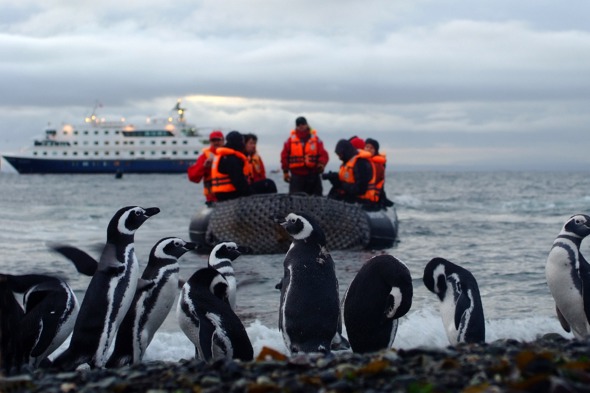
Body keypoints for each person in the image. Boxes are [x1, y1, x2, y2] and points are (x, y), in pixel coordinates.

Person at [324, 139, 380, 208]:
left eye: (340, 155)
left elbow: (361, 189)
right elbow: (347, 179)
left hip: (362, 201)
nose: (339, 158)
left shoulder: (360, 163)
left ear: (346, 152)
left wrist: (340, 184)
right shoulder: (348, 162)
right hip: (351, 198)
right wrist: (334, 177)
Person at [280, 116, 329, 196]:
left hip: (313, 175)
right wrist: (285, 172)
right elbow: (284, 156)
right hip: (297, 176)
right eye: (298, 124)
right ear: (296, 126)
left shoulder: (316, 140)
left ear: (307, 125)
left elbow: (323, 154)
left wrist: (321, 164)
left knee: (317, 200)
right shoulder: (290, 141)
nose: (301, 126)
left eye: (303, 123)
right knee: (296, 201)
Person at [210, 131, 252, 202]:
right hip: (230, 194)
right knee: (268, 184)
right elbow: (239, 183)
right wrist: (251, 194)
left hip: (220, 194)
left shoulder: (222, 156)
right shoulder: (231, 158)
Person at [187, 130, 224, 205]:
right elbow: (193, 177)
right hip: (212, 199)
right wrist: (204, 166)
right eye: (214, 140)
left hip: (230, 197)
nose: (216, 142)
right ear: (210, 141)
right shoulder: (204, 157)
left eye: (218, 140)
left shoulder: (228, 155)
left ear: (223, 140)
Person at [364, 138, 394, 208]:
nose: (368, 149)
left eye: (371, 148)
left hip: (372, 196)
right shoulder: (361, 161)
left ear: (376, 150)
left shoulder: (378, 164)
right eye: (367, 147)